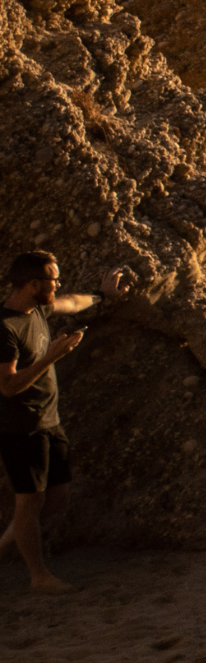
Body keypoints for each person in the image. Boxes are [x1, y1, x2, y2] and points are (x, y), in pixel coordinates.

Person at [1, 251, 126, 594]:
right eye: (52, 280)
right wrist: (52, 356)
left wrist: (102, 295)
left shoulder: (38, 309)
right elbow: (8, 386)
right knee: (30, 503)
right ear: (30, 284)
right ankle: (38, 576)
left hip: (48, 420)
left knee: (56, 500)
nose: (57, 285)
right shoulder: (5, 328)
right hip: (20, 427)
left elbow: (71, 302)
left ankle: (4, 549)